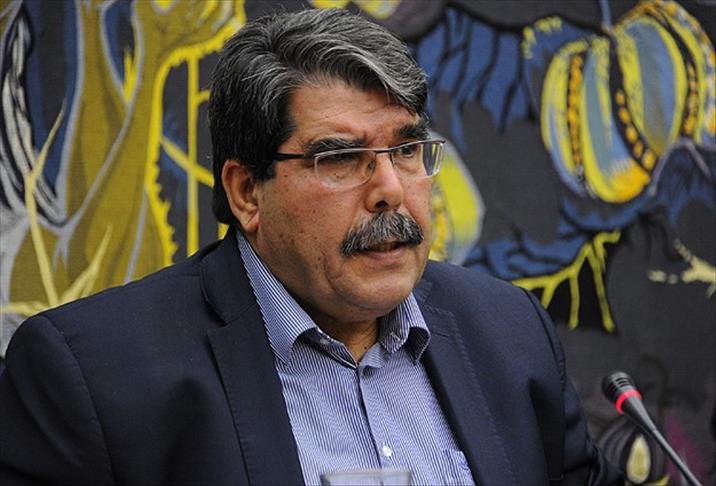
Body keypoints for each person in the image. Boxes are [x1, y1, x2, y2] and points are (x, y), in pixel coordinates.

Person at [0, 8, 622, 485]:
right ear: (247, 192)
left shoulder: (509, 334)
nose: (390, 190)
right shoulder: (93, 377)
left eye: (407, 150)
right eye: (341, 157)